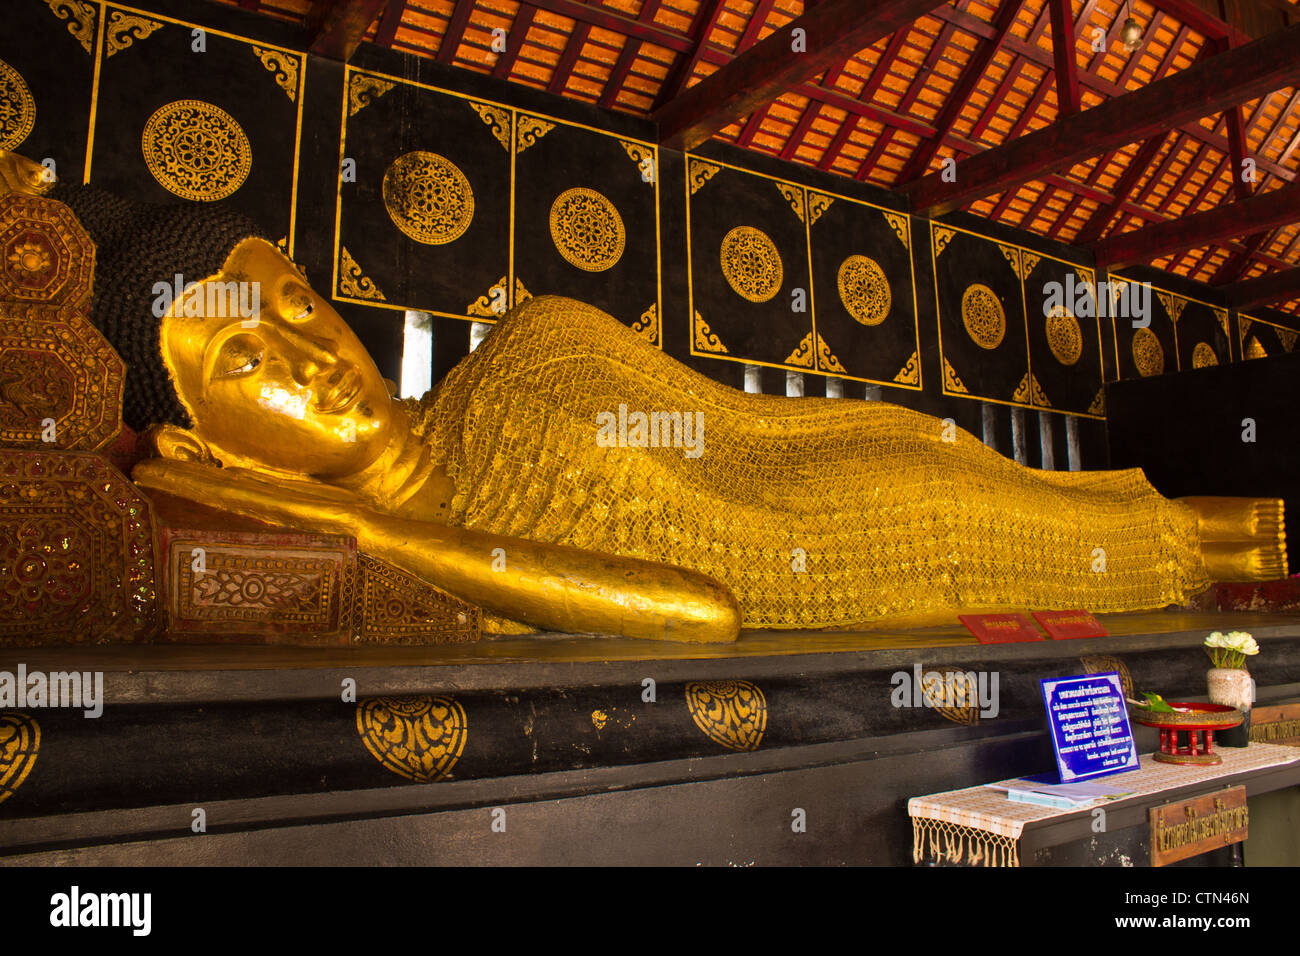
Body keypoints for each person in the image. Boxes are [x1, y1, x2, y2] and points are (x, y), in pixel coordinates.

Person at [10, 157, 1283, 643]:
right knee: (1173, 547)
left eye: (290, 301)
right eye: (242, 368)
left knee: (1143, 519)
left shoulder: (527, 343)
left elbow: (756, 421)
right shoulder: (426, 570)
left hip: (876, 476)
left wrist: (918, 439)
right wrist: (345, 524)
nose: (305, 353)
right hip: (875, 576)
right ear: (195, 440)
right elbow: (697, 611)